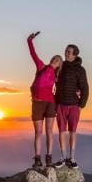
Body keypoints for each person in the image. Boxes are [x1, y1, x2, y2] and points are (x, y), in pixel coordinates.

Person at [27, 32, 62, 168]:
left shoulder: (57, 75)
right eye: (54, 57)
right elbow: (33, 54)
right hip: (37, 103)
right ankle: (37, 158)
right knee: (38, 132)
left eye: (58, 59)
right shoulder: (41, 67)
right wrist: (30, 40)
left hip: (50, 103)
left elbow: (65, 86)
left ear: (59, 65)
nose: (55, 59)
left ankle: (49, 158)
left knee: (49, 131)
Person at [53, 43, 89, 169]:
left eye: (69, 52)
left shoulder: (80, 69)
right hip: (60, 104)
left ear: (75, 54)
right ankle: (63, 158)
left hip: (74, 105)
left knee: (72, 131)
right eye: (66, 51)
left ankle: (72, 158)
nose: (66, 53)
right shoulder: (60, 67)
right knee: (62, 131)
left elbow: (85, 88)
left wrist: (81, 105)